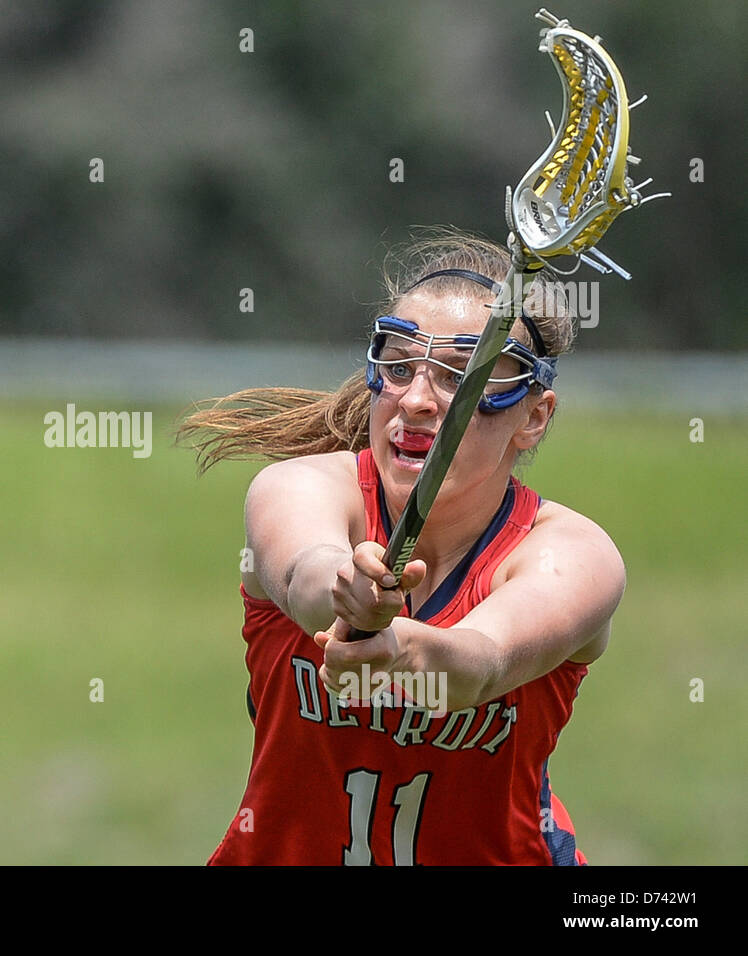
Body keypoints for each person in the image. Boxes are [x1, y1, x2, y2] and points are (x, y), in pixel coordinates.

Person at [180, 229, 623, 865]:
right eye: (399, 367)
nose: (415, 399)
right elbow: (305, 573)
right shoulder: (301, 487)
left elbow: (485, 661)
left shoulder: (573, 553)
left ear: (533, 416)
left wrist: (401, 646)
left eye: (458, 376)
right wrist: (346, 590)